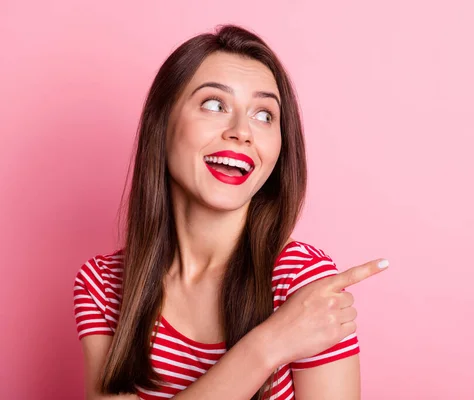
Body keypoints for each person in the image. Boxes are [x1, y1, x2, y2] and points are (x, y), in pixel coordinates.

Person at [73, 24, 388, 400]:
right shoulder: (103, 285)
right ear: (162, 123)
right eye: (214, 104)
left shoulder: (302, 280)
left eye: (264, 115)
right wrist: (270, 344)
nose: (242, 131)